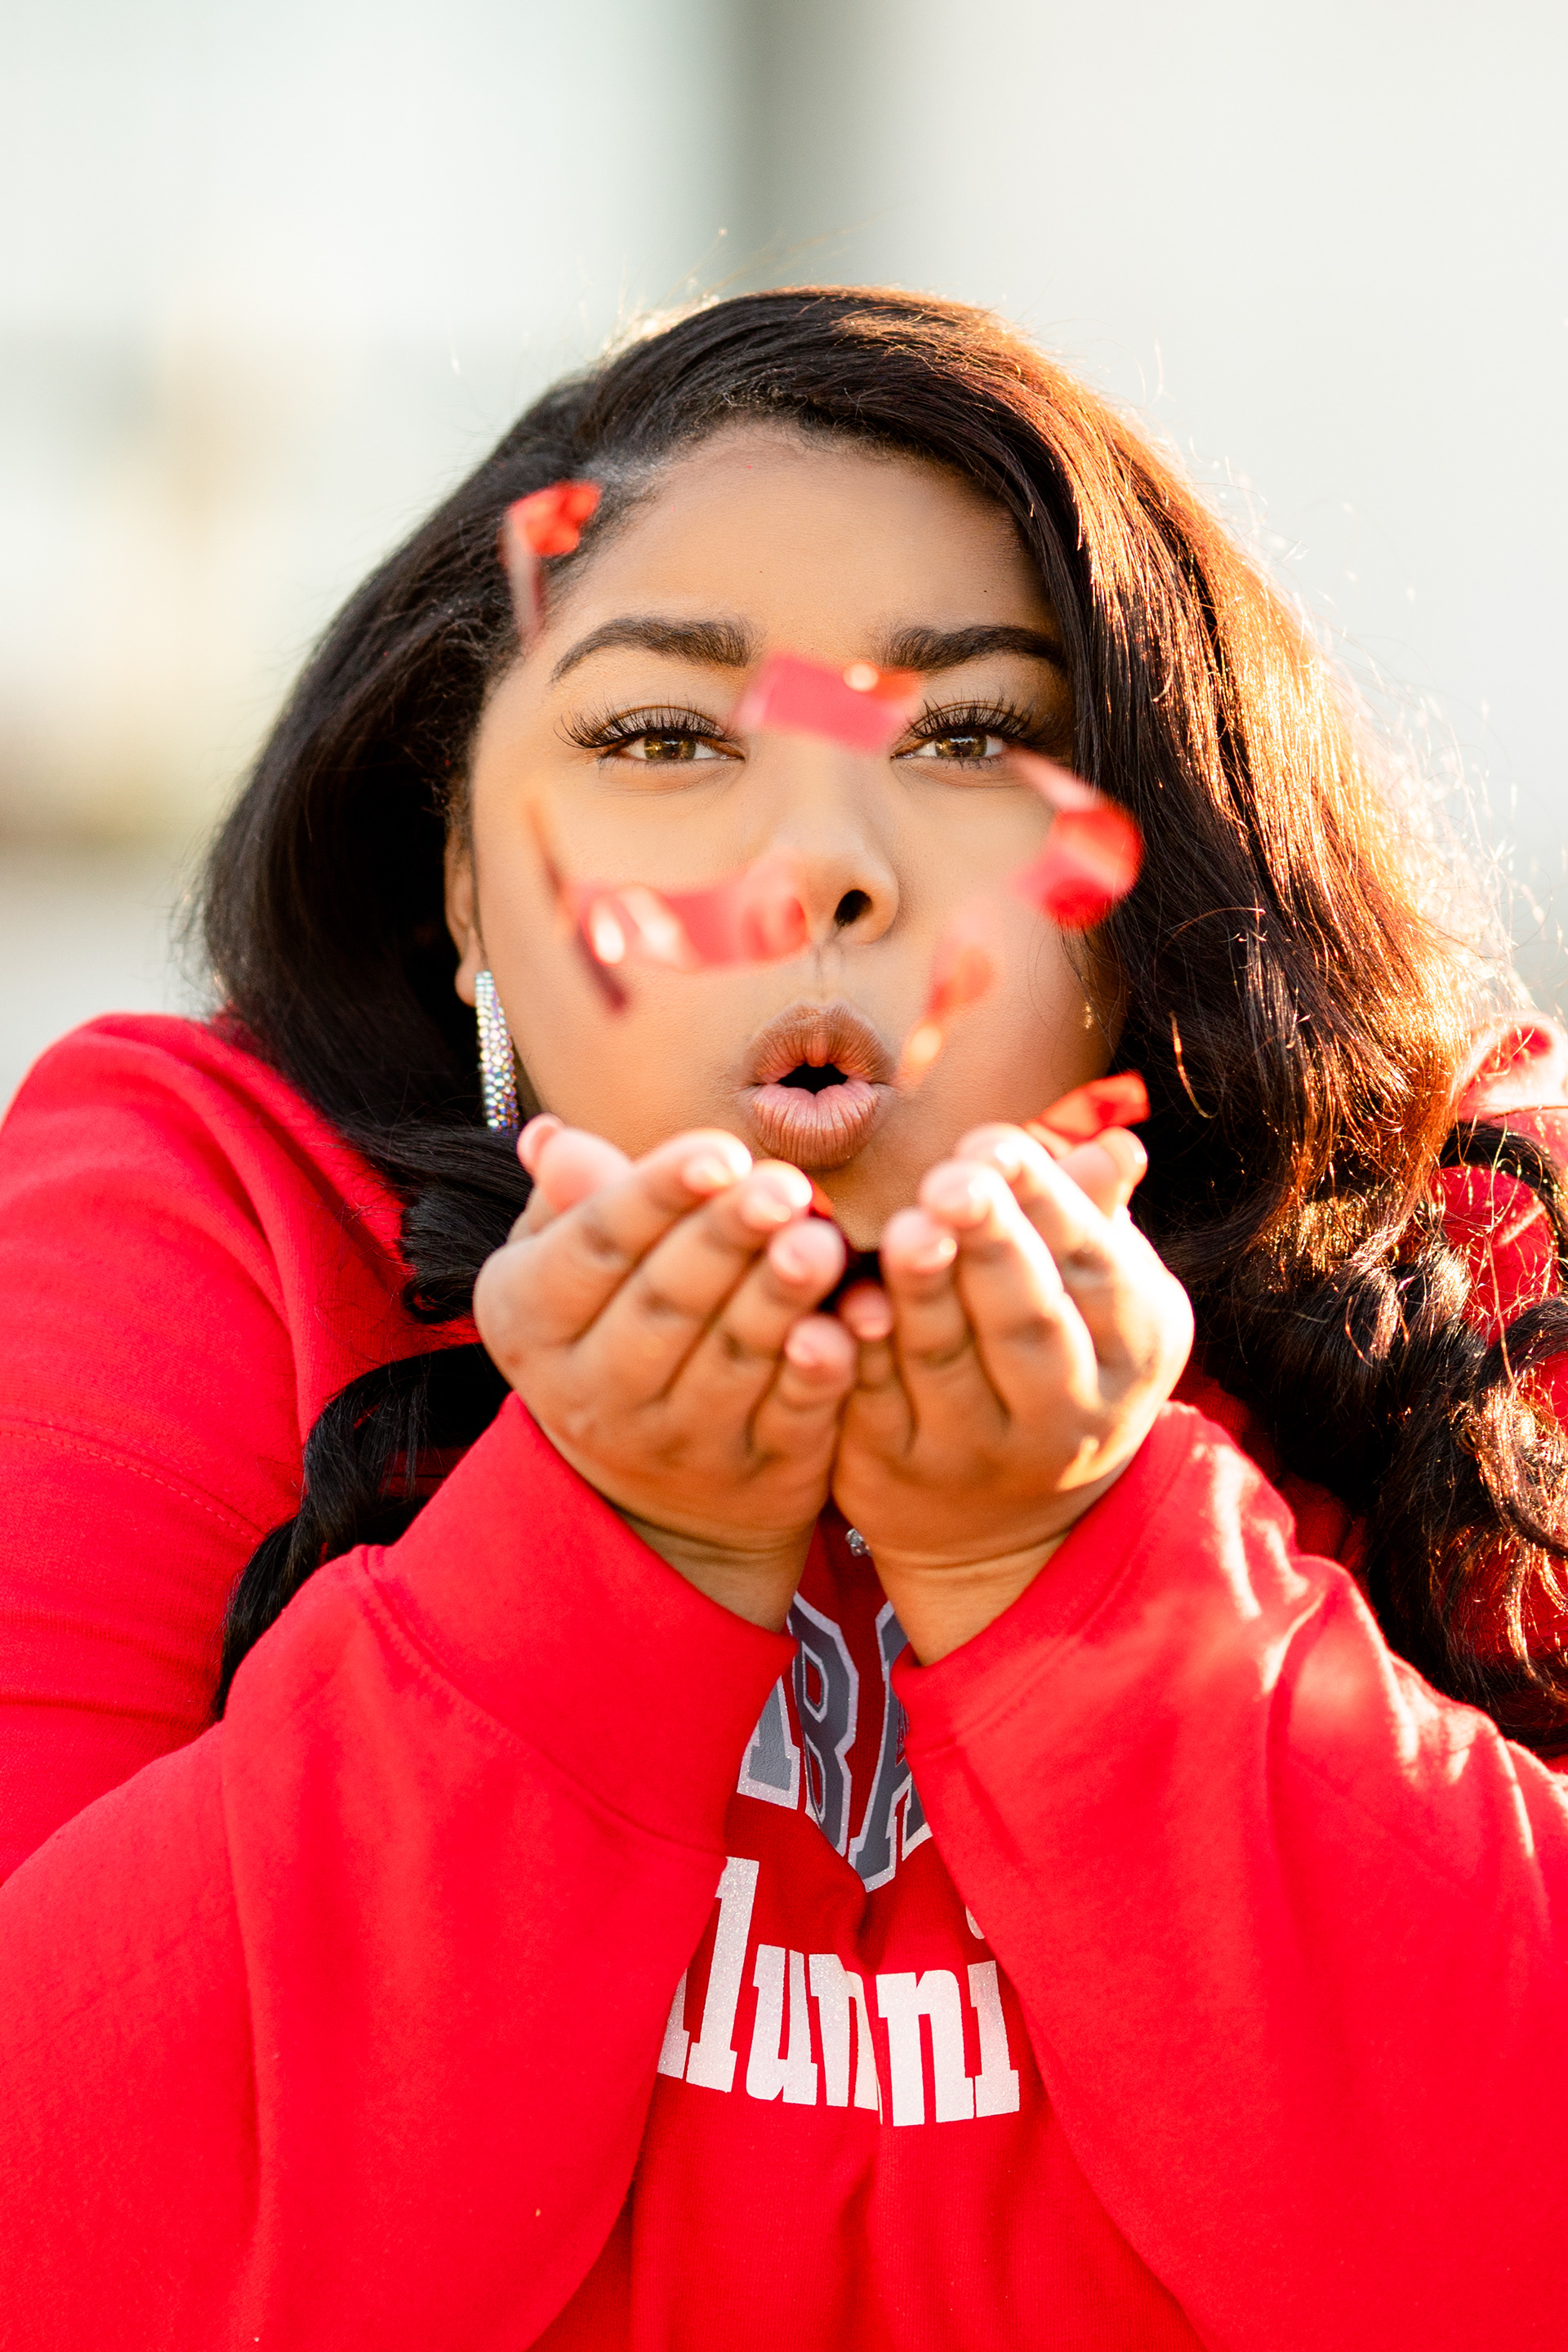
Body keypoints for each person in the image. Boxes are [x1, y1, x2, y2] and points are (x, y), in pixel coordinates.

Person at [2, 288, 1567, 2352]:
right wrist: (607, 1554)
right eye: (663, 738)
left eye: (972, 737)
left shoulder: (1463, 1245)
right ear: (466, 883)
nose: (821, 863)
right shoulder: (199, 1205)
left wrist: (1069, 1574)